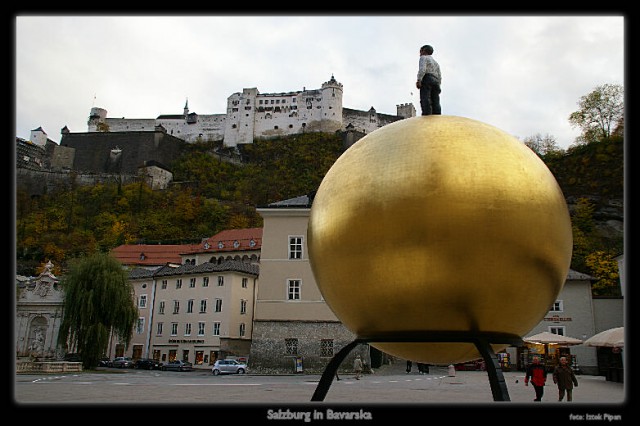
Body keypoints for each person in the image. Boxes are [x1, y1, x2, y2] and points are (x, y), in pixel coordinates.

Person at [416, 44, 442, 116]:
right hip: (436, 81)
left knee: (426, 98)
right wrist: (439, 84)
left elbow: (422, 69)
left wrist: (419, 80)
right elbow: (439, 75)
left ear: (423, 51)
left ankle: (427, 114)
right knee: (435, 100)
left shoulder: (423, 58)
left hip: (427, 78)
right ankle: (437, 114)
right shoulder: (436, 63)